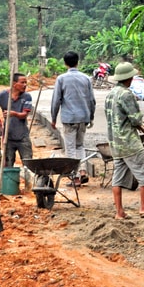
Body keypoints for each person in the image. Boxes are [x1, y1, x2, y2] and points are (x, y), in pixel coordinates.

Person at [105, 62, 144, 219]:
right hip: (129, 142)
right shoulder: (126, 94)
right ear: (129, 78)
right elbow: (135, 119)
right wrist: (139, 121)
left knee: (118, 177)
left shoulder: (111, 94)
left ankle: (119, 212)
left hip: (115, 143)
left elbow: (117, 117)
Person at [50, 51, 96, 186]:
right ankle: (82, 171)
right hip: (83, 117)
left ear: (65, 63)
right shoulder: (86, 78)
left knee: (70, 147)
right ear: (78, 62)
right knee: (80, 146)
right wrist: (90, 116)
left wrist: (53, 118)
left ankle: (75, 177)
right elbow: (92, 100)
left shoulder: (61, 79)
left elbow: (56, 101)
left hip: (69, 119)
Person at [0, 73, 33, 167]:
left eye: (26, 82)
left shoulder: (27, 97)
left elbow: (24, 115)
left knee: (28, 164)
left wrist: (13, 113)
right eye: (22, 82)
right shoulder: (2, 95)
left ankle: (28, 181)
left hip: (23, 137)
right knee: (7, 165)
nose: (25, 85)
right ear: (14, 83)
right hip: (8, 137)